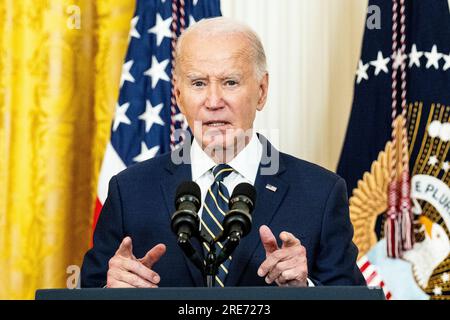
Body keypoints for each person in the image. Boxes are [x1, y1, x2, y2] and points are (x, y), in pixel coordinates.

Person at [81, 17, 366, 288]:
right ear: (179, 96)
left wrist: (305, 288)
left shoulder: (321, 193)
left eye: (230, 82)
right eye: (198, 83)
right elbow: (87, 292)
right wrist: (111, 289)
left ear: (262, 91)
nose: (213, 101)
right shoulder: (129, 191)